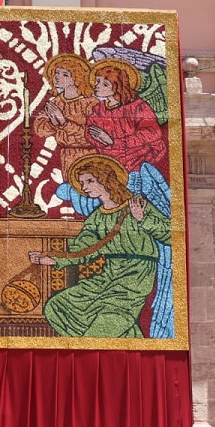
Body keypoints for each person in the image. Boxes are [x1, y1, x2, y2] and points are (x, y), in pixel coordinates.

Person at [28, 155, 170, 338]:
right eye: (81, 182)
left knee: (107, 323)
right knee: (57, 307)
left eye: (89, 181)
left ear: (105, 178)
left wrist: (143, 218)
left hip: (136, 276)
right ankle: (132, 340)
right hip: (108, 274)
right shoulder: (97, 217)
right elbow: (83, 247)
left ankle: (96, 346)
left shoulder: (137, 204)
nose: (84, 187)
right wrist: (52, 258)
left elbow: (169, 233)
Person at [85, 58, 166, 173]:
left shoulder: (137, 107)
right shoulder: (99, 108)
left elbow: (152, 132)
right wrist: (103, 141)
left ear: (117, 86)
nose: (97, 86)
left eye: (105, 84)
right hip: (109, 159)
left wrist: (113, 142)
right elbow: (90, 131)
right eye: (97, 81)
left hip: (137, 160)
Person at [32, 53, 98, 175]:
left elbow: (92, 136)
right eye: (56, 73)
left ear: (77, 78)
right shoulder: (56, 102)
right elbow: (40, 129)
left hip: (89, 155)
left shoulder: (91, 104)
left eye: (65, 74)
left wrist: (63, 123)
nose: (57, 77)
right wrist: (53, 122)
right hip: (66, 155)